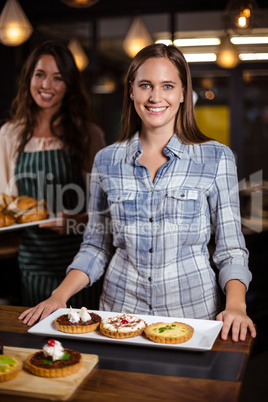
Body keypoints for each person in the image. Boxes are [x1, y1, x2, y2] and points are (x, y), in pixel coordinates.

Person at [19, 43, 256, 342]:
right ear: (132, 91)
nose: (156, 97)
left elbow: (231, 249)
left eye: (167, 86)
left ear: (183, 92)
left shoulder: (216, 158)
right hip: (119, 316)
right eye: (146, 85)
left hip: (192, 316)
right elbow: (96, 246)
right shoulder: (107, 160)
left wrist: (236, 305)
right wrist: (58, 296)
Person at [0, 40, 105, 307]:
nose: (46, 85)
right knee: (41, 344)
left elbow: (105, 212)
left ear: (69, 86)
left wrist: (75, 220)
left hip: (81, 264)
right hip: (33, 263)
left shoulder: (88, 135)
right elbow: (7, 206)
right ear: (28, 78)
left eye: (57, 78)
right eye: (40, 74)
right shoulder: (9, 135)